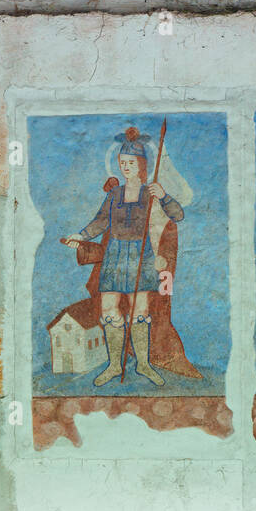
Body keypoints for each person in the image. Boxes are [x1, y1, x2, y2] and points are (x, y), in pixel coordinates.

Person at [64, 127, 186, 386]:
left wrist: (163, 196)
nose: (126, 167)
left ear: (142, 165)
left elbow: (178, 215)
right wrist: (82, 235)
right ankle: (113, 365)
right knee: (109, 309)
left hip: (140, 254)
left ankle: (143, 364)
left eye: (131, 162)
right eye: (122, 163)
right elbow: (100, 222)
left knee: (139, 311)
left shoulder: (149, 193)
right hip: (115, 254)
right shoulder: (114, 195)